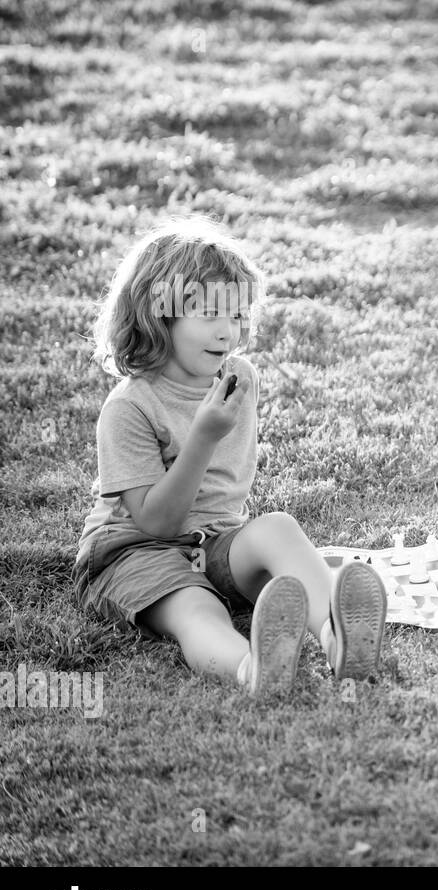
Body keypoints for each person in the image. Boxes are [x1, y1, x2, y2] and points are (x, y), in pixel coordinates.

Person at [74, 218, 388, 694]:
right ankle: (253, 669)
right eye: (210, 316)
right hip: (132, 553)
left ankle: (336, 637)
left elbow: (222, 500)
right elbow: (156, 524)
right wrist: (202, 437)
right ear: (157, 316)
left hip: (212, 542)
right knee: (198, 608)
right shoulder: (129, 408)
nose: (228, 333)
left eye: (238, 316)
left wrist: (234, 548)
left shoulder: (237, 376)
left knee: (277, 527)